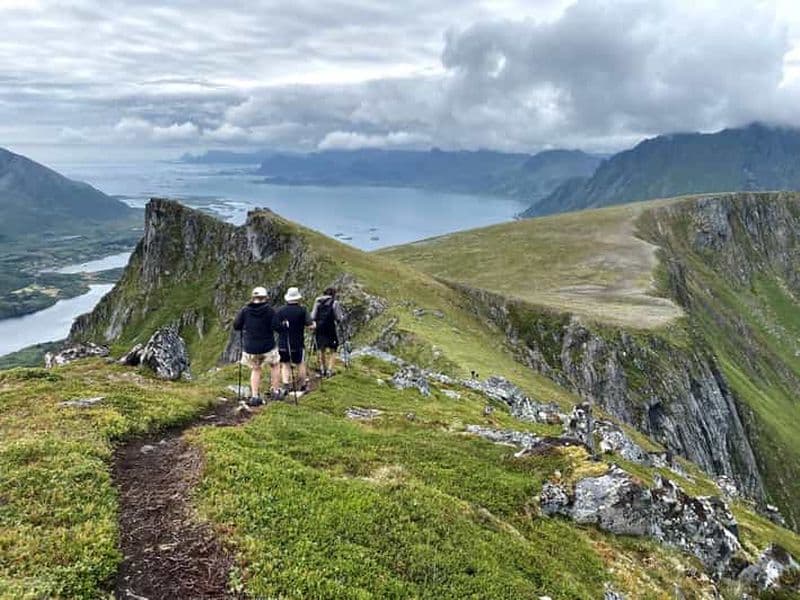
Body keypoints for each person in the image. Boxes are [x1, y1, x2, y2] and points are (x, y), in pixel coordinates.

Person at [233, 286, 281, 406]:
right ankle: (275, 391)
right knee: (275, 365)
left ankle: (255, 396)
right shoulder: (269, 310)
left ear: (253, 298)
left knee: (255, 369)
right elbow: (277, 327)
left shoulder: (245, 310)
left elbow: (236, 325)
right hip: (267, 346)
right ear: (265, 298)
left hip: (251, 348)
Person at [274, 286, 315, 393]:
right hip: (298, 343)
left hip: (283, 343)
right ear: (298, 298)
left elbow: (275, 326)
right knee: (300, 363)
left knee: (285, 364)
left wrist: (283, 329)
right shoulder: (303, 310)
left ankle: (286, 385)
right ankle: (302, 384)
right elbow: (310, 325)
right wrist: (313, 325)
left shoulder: (280, 311)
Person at [311, 287, 345, 377]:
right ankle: (330, 370)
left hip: (319, 328)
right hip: (330, 329)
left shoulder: (317, 302)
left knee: (320, 348)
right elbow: (339, 318)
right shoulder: (335, 303)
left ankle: (322, 369)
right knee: (333, 349)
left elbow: (313, 316)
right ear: (333, 294)